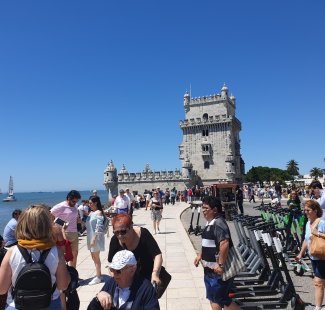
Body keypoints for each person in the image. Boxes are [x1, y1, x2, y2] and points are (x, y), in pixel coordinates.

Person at [0, 205, 71, 310]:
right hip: (49, 303)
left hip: (18, 305)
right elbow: (63, 286)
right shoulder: (56, 251)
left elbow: (2, 289)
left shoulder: (12, 252)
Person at [194, 196, 240, 310]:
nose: (203, 211)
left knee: (222, 298)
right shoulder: (210, 222)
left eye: (206, 208)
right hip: (209, 269)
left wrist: (220, 265)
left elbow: (224, 243)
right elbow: (206, 242)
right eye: (202, 208)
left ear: (214, 210)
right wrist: (200, 255)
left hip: (217, 271)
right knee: (213, 297)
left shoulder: (219, 223)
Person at [88, 250, 159, 310]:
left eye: (118, 270)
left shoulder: (146, 289)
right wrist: (97, 299)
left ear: (132, 270)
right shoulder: (111, 283)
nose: (114, 274)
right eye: (112, 269)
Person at [108, 214, 162, 285]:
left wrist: (155, 273)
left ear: (131, 227)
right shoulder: (114, 240)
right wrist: (115, 276)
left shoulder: (143, 234)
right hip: (127, 279)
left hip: (147, 276)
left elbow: (157, 254)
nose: (120, 236)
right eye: (116, 232)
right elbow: (111, 263)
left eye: (123, 231)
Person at [296, 200, 325, 310]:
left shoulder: (321, 222)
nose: (306, 212)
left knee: (318, 282)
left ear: (315, 211)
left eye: (308, 210)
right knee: (322, 282)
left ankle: (317, 308)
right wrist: (300, 254)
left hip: (323, 256)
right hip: (313, 256)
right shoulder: (308, 223)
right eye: (305, 210)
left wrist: (317, 232)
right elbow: (306, 240)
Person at [51, 190, 81, 268]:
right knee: (66, 256)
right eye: (73, 201)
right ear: (68, 198)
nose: (75, 203)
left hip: (74, 233)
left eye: (76, 201)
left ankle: (74, 273)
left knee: (75, 254)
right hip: (64, 233)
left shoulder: (76, 205)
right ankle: (66, 274)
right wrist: (58, 225)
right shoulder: (61, 206)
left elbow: (75, 215)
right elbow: (49, 214)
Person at [86, 196, 106, 285]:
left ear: (95, 203)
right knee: (93, 257)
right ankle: (99, 274)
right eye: (89, 203)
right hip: (89, 237)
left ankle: (98, 277)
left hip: (95, 238)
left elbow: (99, 227)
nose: (89, 205)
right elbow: (87, 224)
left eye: (90, 203)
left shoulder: (99, 213)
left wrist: (94, 238)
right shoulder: (91, 213)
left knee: (96, 258)